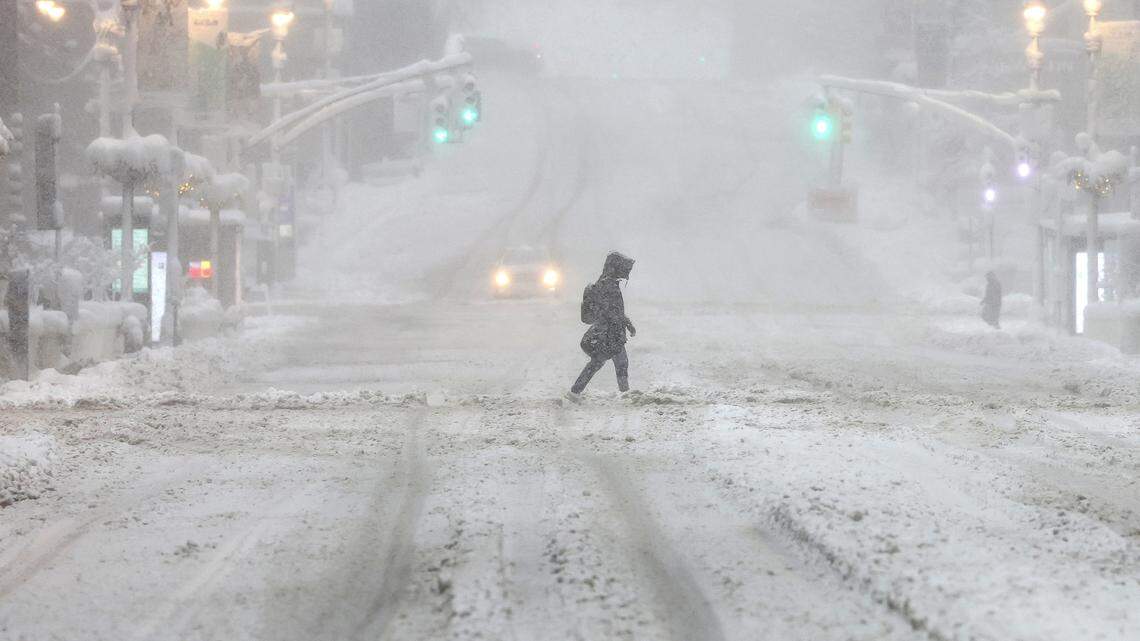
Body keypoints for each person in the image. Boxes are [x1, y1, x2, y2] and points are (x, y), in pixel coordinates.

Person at [568, 252, 637, 399]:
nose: (627, 272)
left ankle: (575, 392)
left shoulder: (607, 283)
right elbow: (612, 312)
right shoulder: (607, 285)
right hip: (609, 333)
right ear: (615, 267)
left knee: (603, 363)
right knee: (614, 363)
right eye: (624, 268)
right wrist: (625, 323)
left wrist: (627, 323)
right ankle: (625, 394)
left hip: (610, 332)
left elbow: (615, 311)